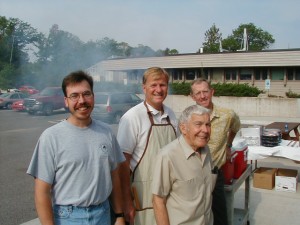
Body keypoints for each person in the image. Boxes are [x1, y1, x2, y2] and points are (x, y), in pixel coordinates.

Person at [27, 70, 125, 225]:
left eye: (87, 94)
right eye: (74, 96)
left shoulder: (107, 132)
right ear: (66, 101)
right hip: (67, 218)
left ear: (93, 97)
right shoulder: (51, 137)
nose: (82, 100)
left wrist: (120, 215)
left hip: (103, 215)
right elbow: (42, 192)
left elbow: (114, 177)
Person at [117, 67, 177, 225]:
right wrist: (126, 201)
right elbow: (122, 164)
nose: (159, 90)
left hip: (169, 195)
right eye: (154, 85)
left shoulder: (172, 115)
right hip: (142, 197)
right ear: (144, 88)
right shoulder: (132, 118)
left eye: (163, 85)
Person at [152, 104, 216, 225]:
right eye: (198, 124)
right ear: (183, 128)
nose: (205, 130)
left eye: (208, 124)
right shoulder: (168, 156)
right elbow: (158, 200)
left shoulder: (206, 150)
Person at [190, 78, 241, 225]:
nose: (202, 96)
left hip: (214, 173)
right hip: (193, 174)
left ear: (212, 92)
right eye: (198, 93)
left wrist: (228, 145)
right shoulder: (187, 118)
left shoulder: (227, 115)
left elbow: (235, 127)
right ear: (193, 97)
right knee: (195, 216)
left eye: (205, 91)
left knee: (220, 218)